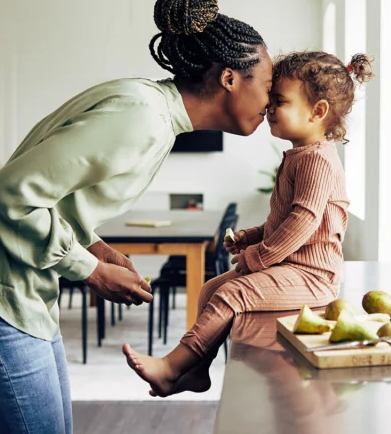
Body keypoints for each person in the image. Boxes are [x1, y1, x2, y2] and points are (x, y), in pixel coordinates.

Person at [0, 0, 274, 434]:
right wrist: (89, 271)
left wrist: (95, 246)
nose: (272, 102)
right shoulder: (141, 117)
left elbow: (54, 197)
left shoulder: (153, 113)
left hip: (13, 294)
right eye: (268, 85)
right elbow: (9, 195)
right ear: (229, 78)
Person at [122, 50, 375, 397]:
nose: (269, 108)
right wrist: (251, 236)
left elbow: (303, 221)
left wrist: (259, 255)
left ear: (318, 112)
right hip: (291, 267)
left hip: (314, 276)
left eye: (280, 101)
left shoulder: (317, 161)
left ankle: (171, 367)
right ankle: (197, 371)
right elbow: (284, 220)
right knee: (211, 289)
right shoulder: (300, 156)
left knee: (231, 294)